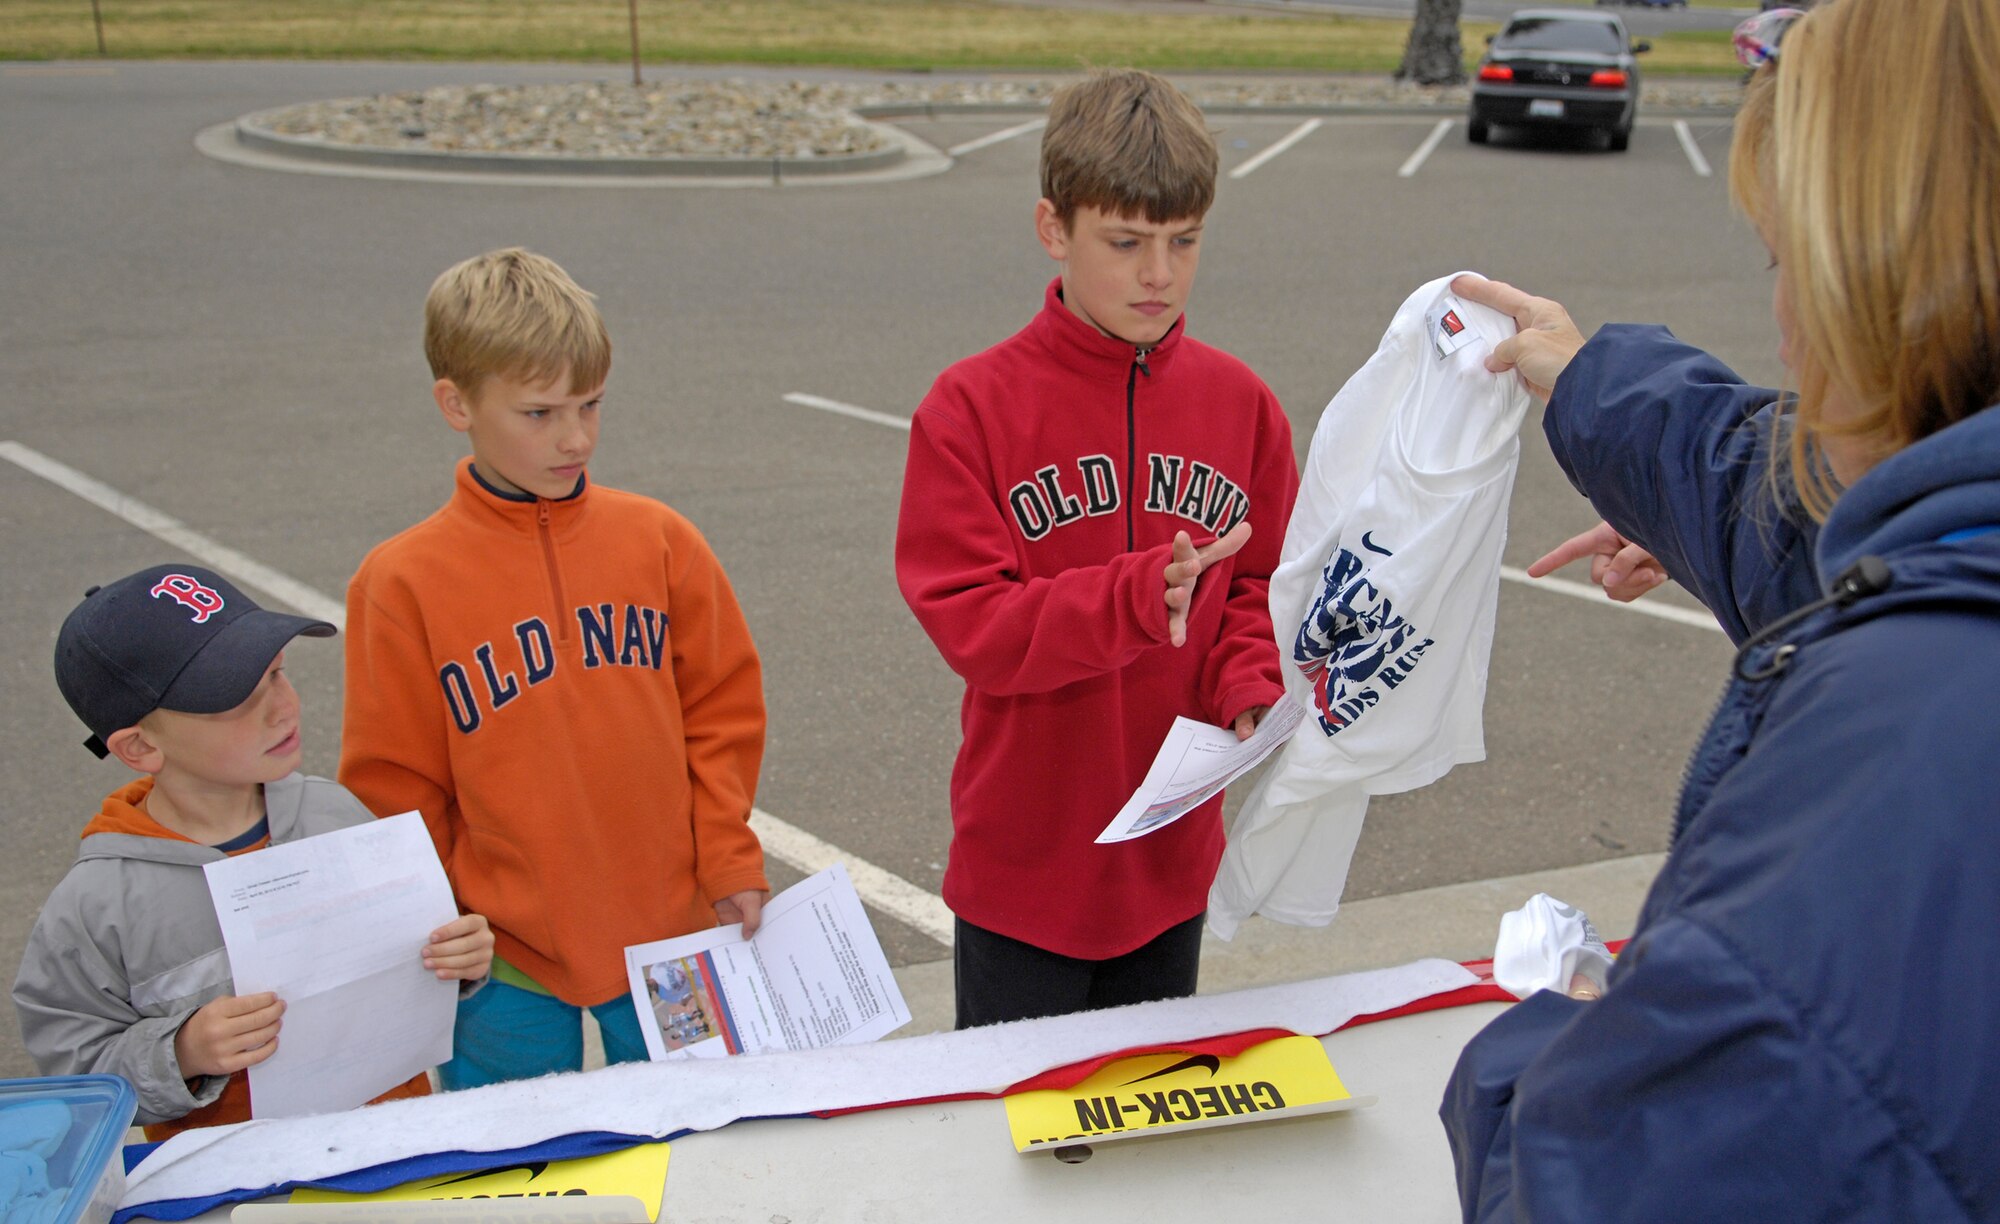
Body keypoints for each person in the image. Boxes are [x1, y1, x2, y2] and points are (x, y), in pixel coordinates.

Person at [1440, 1, 2000, 1217]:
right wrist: (1584, 379)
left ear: (1879, 283)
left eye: (1785, 262)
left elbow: (1588, 1178)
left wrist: (1554, 1044)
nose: (1786, 333)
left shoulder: (1890, 773)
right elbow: (1797, 507)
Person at [894, 69, 1300, 1028]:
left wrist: (1249, 677)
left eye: (1184, 242)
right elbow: (975, 625)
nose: (1158, 273)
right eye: (1125, 243)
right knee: (1031, 1149)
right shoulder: (970, 410)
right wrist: (1130, 597)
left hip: (1168, 865)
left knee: (1142, 1141)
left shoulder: (1242, 407)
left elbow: (1260, 583)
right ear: (1054, 230)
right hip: (1023, 874)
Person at [340, 248, 769, 1086]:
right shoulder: (401, 582)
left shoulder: (660, 540)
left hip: (675, 933)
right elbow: (394, 784)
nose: (575, 437)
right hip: (503, 963)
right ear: (455, 403)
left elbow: (722, 715)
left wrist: (726, 857)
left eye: (591, 405)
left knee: (707, 1151)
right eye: (539, 413)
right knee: (513, 1181)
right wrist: (445, 920)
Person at [13, 564, 494, 1140]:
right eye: (237, 698)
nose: (282, 706)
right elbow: (74, 1081)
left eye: (277, 674)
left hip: (393, 1144)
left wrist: (458, 959)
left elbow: (416, 957)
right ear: (140, 746)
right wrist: (182, 1052)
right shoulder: (97, 904)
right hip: (236, 1181)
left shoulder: (335, 811)